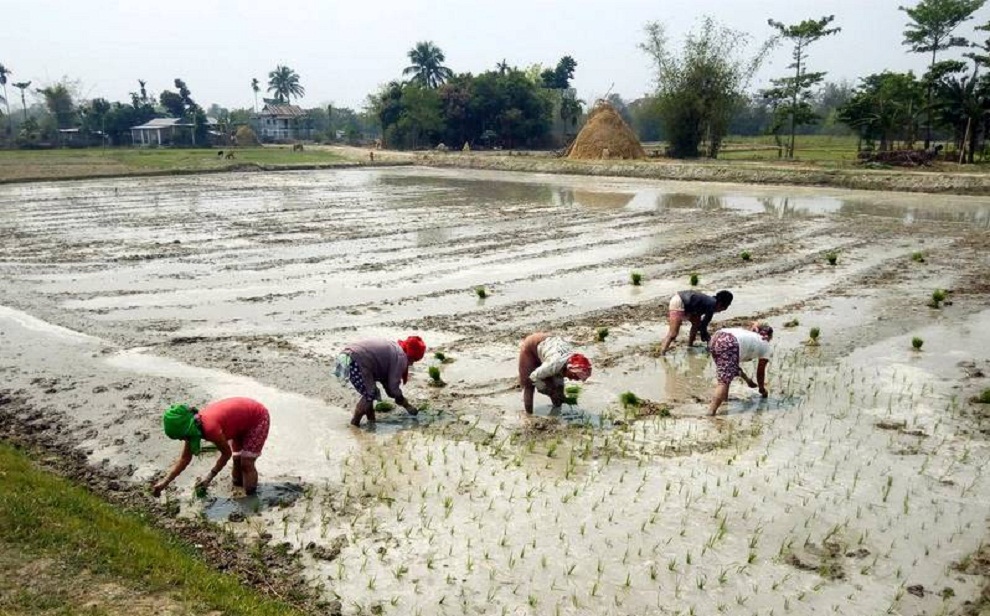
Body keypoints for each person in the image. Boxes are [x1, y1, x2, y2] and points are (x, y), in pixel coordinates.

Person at [152, 397, 270, 497]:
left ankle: (251, 500)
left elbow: (226, 454)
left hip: (257, 418)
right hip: (239, 423)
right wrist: (164, 483)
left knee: (246, 462)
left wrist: (209, 478)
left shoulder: (210, 429)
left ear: (186, 429)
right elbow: (184, 459)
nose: (180, 439)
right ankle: (238, 489)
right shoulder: (193, 428)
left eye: (180, 436)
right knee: (237, 459)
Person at [335, 336, 426, 426]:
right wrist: (400, 398)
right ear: (410, 355)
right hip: (356, 359)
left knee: (370, 392)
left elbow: (388, 386)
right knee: (370, 394)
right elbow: (392, 387)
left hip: (346, 356)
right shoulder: (401, 357)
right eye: (413, 360)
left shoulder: (395, 349)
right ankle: (355, 424)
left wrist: (400, 400)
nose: (411, 364)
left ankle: (371, 421)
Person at [707, 322, 773, 415]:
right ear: (769, 336)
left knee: (726, 373)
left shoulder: (749, 335)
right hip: (730, 342)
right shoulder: (765, 344)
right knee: (723, 381)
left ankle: (724, 400)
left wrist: (747, 380)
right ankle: (711, 412)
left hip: (716, 337)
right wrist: (761, 389)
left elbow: (734, 367)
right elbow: (760, 372)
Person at [518, 332, 592, 413]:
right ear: (569, 369)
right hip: (531, 347)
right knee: (529, 385)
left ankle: (557, 413)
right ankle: (529, 416)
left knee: (558, 390)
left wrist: (563, 397)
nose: (572, 379)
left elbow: (559, 385)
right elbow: (533, 377)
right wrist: (544, 389)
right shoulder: (554, 365)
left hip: (550, 348)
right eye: (574, 377)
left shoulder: (572, 360)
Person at [659, 290, 734, 355]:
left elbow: (701, 323)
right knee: (673, 334)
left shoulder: (709, 302)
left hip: (688, 304)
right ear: (720, 304)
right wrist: (706, 338)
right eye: (723, 309)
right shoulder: (711, 305)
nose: (720, 311)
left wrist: (703, 331)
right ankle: (662, 353)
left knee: (696, 323)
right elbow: (704, 325)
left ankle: (690, 346)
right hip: (679, 302)